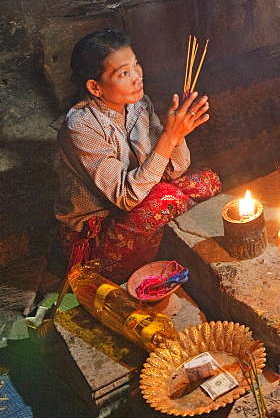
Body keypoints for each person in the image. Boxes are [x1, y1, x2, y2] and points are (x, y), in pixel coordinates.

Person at [55, 29, 221, 280]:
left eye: (136, 65)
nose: (137, 77)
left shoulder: (139, 104)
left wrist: (177, 135)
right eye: (123, 73)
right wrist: (167, 138)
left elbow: (172, 171)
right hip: (98, 238)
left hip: (138, 205)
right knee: (167, 198)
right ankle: (189, 250)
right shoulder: (80, 126)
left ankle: (177, 243)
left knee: (208, 181)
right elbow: (126, 198)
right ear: (95, 87)